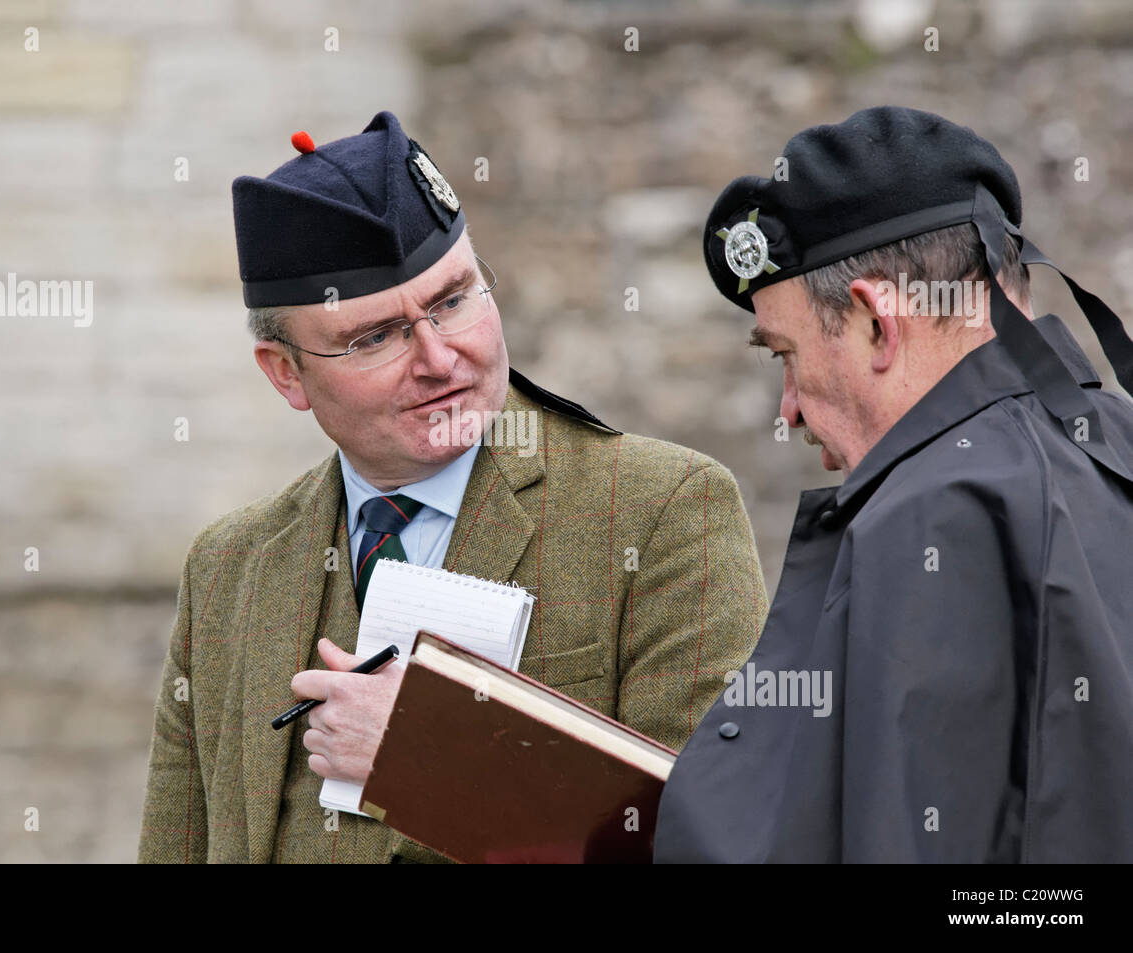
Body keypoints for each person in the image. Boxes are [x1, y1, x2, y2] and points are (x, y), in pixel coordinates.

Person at [138, 111, 768, 863]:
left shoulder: (666, 509)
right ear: (285, 373)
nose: (440, 358)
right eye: (375, 337)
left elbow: (719, 842)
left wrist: (428, 760)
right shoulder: (226, 567)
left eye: (452, 300)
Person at [655, 106, 1133, 863]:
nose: (788, 406)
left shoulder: (933, 517)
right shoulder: (1116, 439)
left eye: (785, 353)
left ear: (878, 322)